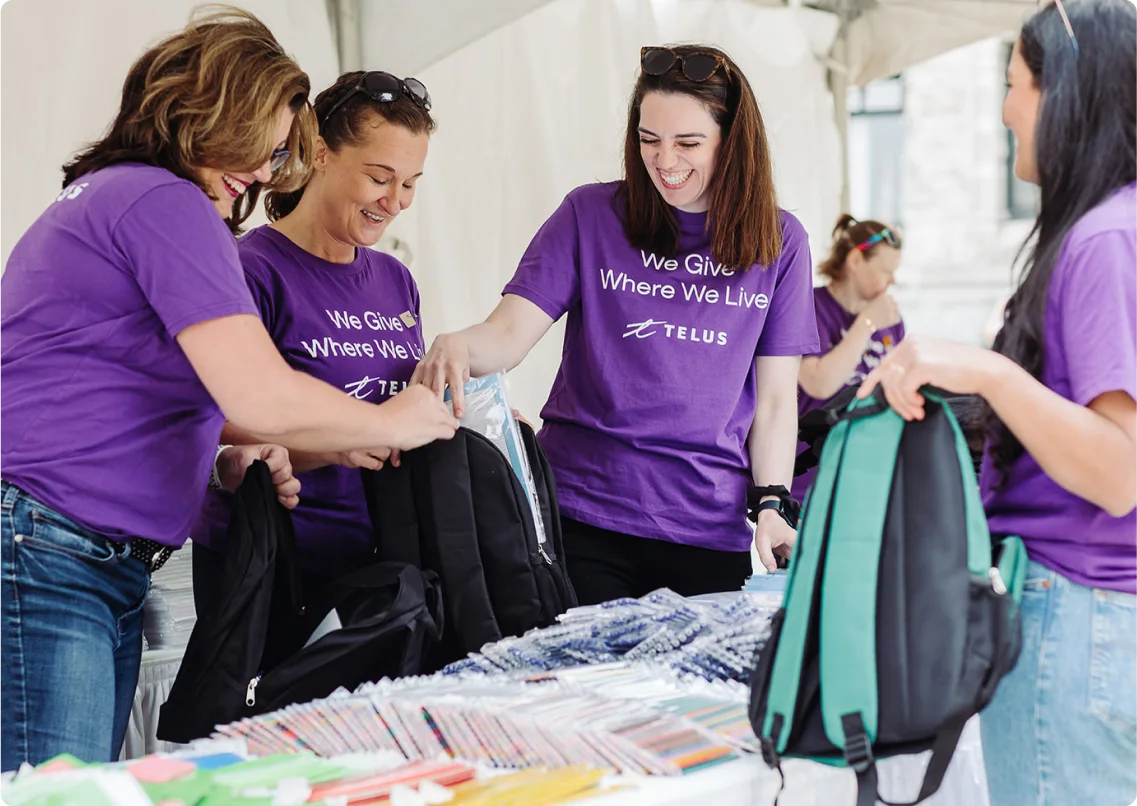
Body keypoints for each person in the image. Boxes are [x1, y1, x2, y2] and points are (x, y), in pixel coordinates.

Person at [0, 8, 456, 771]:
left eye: (281, 151)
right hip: (56, 552)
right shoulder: (164, 202)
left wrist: (221, 456)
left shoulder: (112, 195)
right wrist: (401, 419)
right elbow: (257, 392)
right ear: (208, 109)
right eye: (265, 143)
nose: (269, 169)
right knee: (59, 793)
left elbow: (119, 383)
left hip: (80, 553)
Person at [414, 45, 819, 604]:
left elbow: (775, 401)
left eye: (688, 143)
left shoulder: (781, 243)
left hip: (706, 527)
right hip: (582, 516)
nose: (666, 161)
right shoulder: (589, 215)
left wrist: (773, 504)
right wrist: (457, 344)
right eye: (649, 140)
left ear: (733, 142)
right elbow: (508, 334)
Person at [859, 1, 1137, 802]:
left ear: (1067, 96)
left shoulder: (1103, 241)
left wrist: (988, 374)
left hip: (1076, 620)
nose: (1004, 107)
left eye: (1014, 84)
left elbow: (1118, 472)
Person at [193, 69, 436, 601]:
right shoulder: (250, 269)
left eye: (411, 183)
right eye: (379, 177)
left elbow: (397, 409)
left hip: (383, 566)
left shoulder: (395, 280)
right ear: (321, 154)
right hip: (273, 562)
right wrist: (341, 441)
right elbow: (215, 423)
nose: (395, 202)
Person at [793, 215, 904, 502]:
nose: (892, 281)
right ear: (856, 261)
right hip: (810, 477)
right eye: (885, 270)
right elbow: (818, 383)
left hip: (867, 472)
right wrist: (866, 323)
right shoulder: (810, 307)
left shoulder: (890, 320)